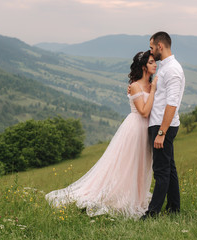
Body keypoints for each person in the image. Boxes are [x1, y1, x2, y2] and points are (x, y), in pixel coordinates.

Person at [45, 50, 157, 218]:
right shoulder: (135, 86)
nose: (155, 64)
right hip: (135, 128)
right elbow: (143, 112)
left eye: (155, 62)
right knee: (129, 164)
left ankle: (139, 196)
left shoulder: (152, 83)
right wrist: (154, 91)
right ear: (143, 67)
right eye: (151, 62)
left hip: (147, 130)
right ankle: (123, 197)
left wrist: (154, 88)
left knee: (143, 164)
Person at [141, 31, 185, 219]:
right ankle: (174, 208)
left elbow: (172, 104)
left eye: (152, 47)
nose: (151, 51)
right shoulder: (165, 67)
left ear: (160, 46)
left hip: (163, 125)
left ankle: (152, 213)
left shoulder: (172, 69)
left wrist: (161, 132)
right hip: (160, 123)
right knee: (169, 167)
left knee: (161, 171)